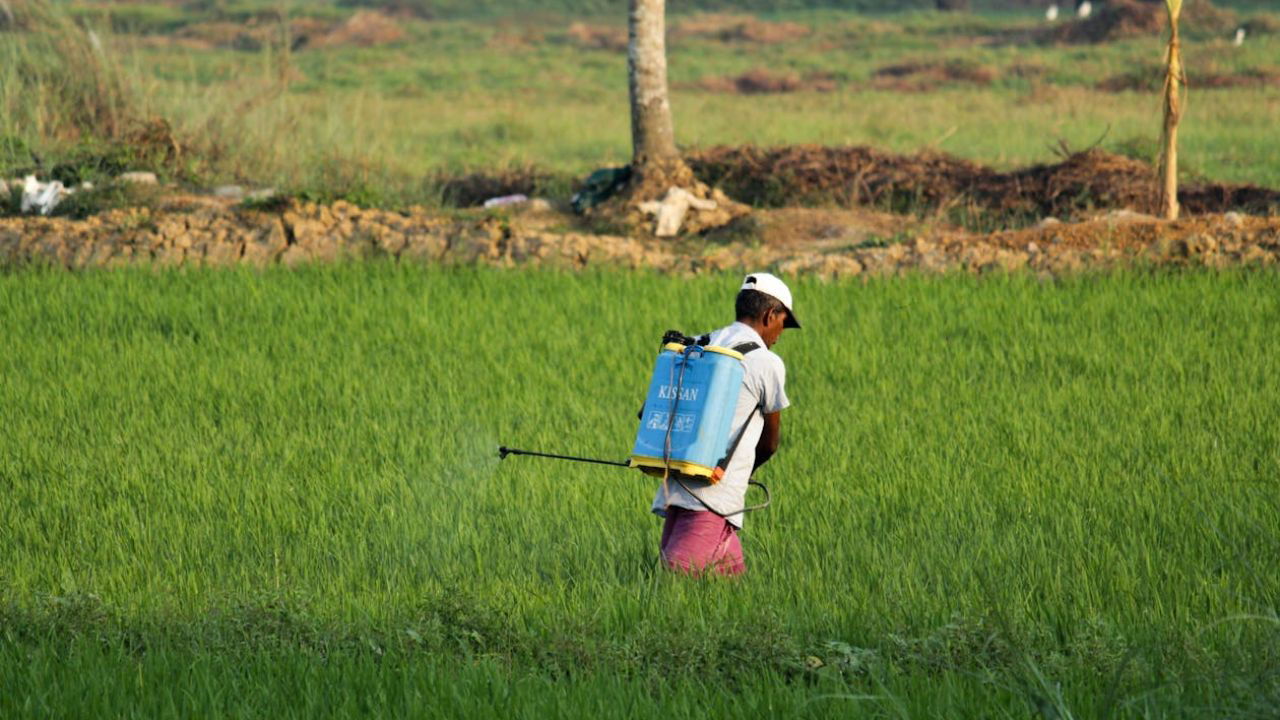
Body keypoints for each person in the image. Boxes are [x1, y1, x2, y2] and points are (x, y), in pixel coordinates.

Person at [652, 273, 799, 576]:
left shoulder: (697, 344)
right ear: (770, 315)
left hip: (677, 484)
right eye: (783, 323)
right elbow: (770, 442)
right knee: (677, 581)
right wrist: (742, 476)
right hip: (714, 497)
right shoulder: (765, 362)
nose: (780, 334)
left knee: (728, 585)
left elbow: (654, 409)